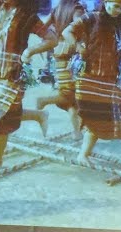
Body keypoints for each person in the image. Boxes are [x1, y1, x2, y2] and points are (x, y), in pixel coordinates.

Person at [0, 0, 56, 167]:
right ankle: (39, 115)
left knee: (0, 116)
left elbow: (51, 39)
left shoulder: (28, 16)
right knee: (4, 111)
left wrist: (30, 51)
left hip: (13, 72)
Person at [61, 1, 121, 161]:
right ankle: (83, 153)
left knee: (101, 117)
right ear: (106, 2)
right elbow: (67, 32)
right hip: (88, 76)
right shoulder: (91, 18)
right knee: (90, 114)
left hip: (109, 79)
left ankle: (83, 154)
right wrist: (79, 46)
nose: (118, 10)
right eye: (115, 6)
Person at [33, 0, 86, 139]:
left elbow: (43, 28)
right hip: (71, 54)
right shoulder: (77, 9)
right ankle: (44, 100)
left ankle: (76, 132)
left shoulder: (57, 8)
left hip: (57, 53)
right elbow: (79, 26)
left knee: (72, 98)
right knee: (68, 94)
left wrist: (46, 42)